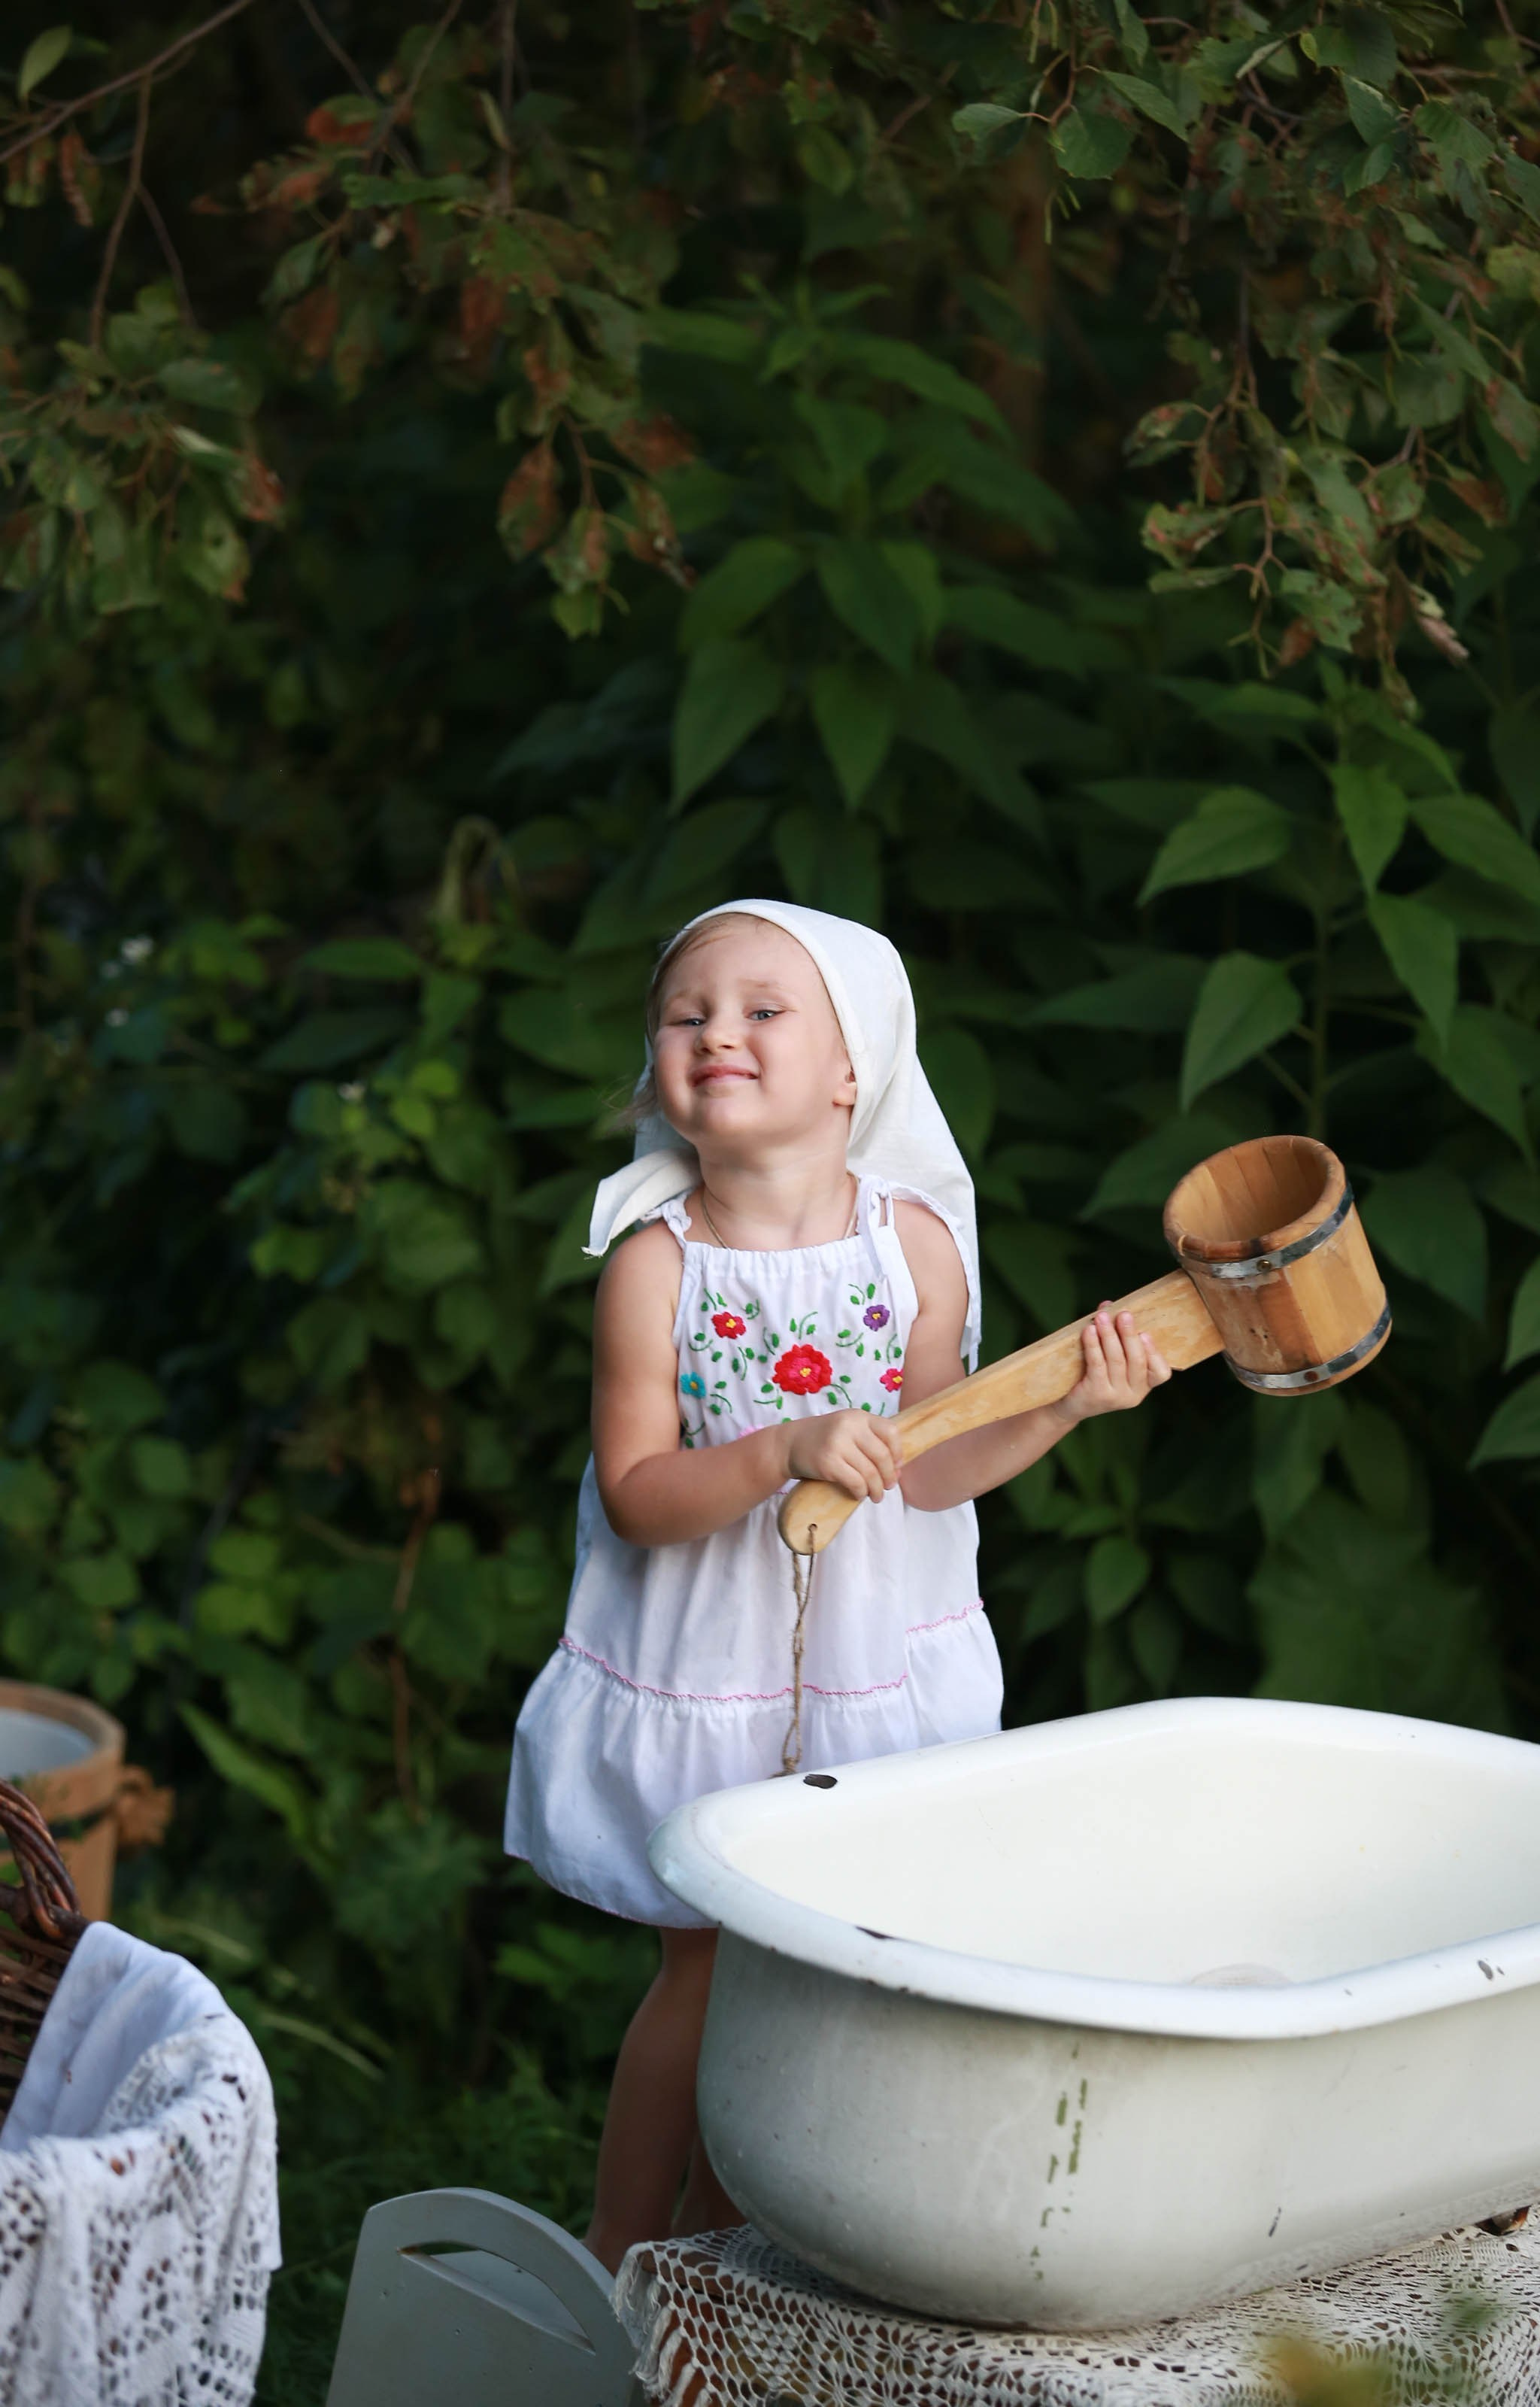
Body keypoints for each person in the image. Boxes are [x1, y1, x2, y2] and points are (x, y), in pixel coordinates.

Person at [504, 901, 1172, 2271]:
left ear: (852, 1067)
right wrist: (778, 1450)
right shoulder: (656, 1264)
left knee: (819, 1970)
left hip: (859, 1655)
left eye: (763, 1010)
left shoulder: (910, 1247)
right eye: (686, 1015)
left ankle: (731, 2253)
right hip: (714, 1658)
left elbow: (932, 1468)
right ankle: (623, 2247)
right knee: (706, 1964)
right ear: (657, 1073)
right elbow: (637, 1494)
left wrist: (1061, 1409)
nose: (717, 1033)